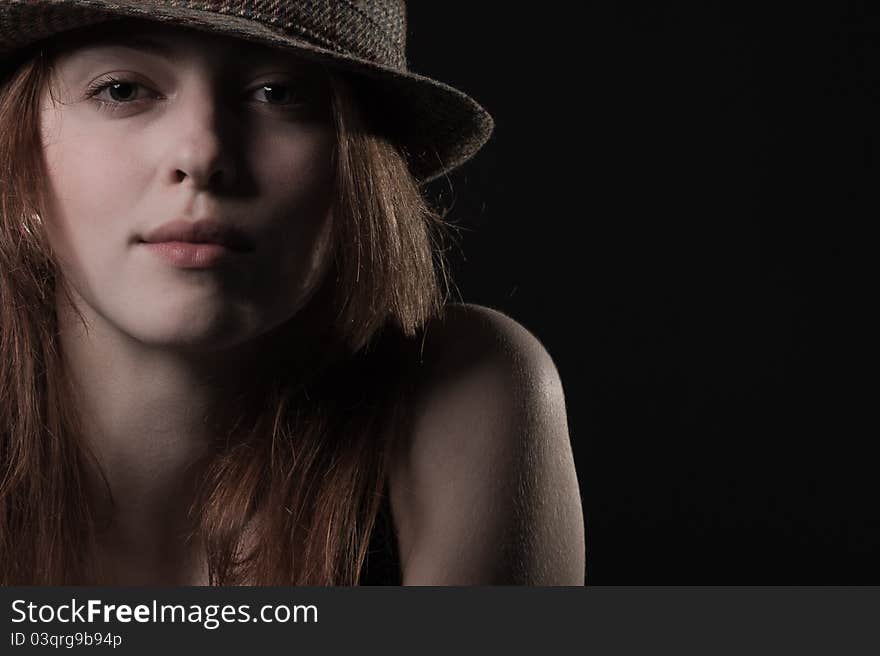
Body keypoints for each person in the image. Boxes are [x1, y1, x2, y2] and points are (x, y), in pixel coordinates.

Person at [0, 1, 585, 585]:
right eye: (123, 90)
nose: (202, 155)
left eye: (278, 94)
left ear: (357, 168)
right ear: (19, 154)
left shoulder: (462, 387)